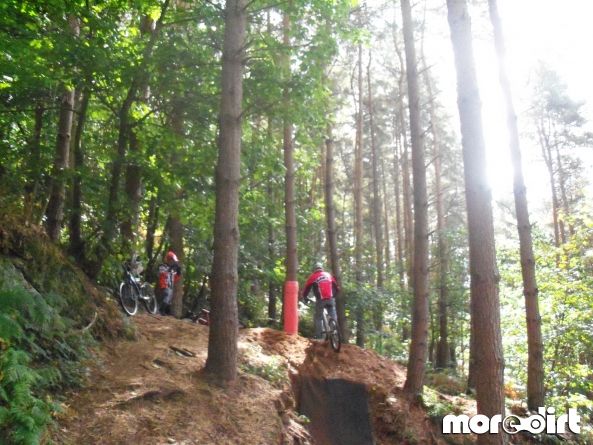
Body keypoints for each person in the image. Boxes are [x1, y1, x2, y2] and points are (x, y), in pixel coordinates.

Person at [302, 263, 339, 339]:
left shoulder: (313, 276)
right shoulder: (328, 275)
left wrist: (305, 297)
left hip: (320, 300)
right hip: (330, 298)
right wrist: (334, 296)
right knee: (333, 313)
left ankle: (318, 337)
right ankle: (335, 332)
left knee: (318, 318)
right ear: (322, 268)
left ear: (314, 269)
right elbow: (336, 287)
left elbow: (306, 288)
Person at [157, 250, 182, 315]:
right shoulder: (162, 266)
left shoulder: (173, 269)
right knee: (166, 297)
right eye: (172, 261)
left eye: (174, 261)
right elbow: (162, 274)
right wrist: (170, 268)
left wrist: (178, 273)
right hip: (164, 285)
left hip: (170, 286)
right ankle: (160, 310)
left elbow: (175, 278)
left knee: (168, 300)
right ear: (169, 260)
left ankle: (163, 312)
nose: (173, 262)